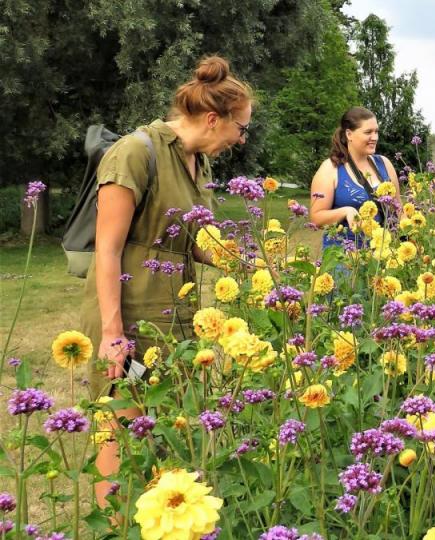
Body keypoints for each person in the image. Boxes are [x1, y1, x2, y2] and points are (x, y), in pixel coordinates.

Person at [78, 55, 254, 507]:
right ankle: (115, 527)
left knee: (167, 433)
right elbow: (108, 247)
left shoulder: (199, 164)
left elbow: (196, 241)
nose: (240, 140)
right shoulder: (137, 152)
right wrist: (114, 333)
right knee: (119, 430)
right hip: (129, 314)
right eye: (240, 128)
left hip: (175, 319)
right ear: (214, 120)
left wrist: (252, 267)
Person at [309, 107, 401, 248]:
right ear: (349, 134)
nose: (375, 137)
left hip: (381, 256)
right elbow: (316, 218)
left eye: (376, 132)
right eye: (368, 132)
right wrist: (346, 211)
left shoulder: (384, 164)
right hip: (345, 260)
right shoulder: (331, 168)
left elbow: (398, 209)